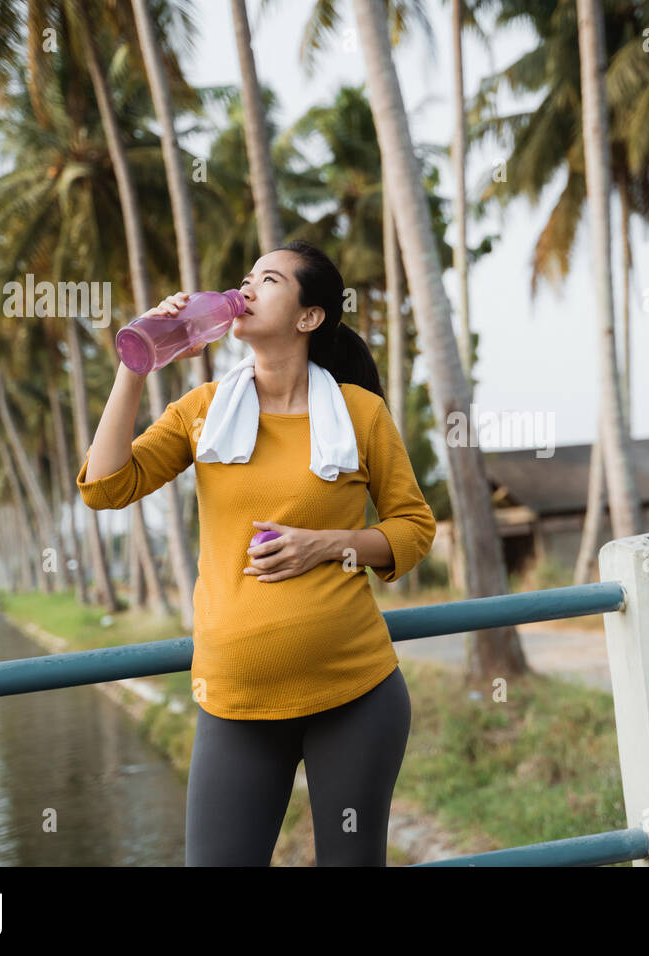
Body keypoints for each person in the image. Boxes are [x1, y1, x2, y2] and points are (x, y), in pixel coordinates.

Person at [77, 240, 436, 866]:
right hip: (235, 702)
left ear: (309, 317)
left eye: (268, 279)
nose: (245, 288)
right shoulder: (204, 412)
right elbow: (106, 487)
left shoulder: (361, 414)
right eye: (245, 276)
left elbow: (413, 527)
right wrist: (135, 365)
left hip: (355, 694)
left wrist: (330, 546)